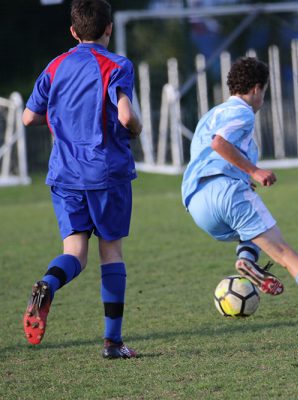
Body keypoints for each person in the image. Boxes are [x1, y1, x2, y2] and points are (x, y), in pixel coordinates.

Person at [181, 56, 298, 318]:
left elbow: (208, 152)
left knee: (249, 232)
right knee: (284, 253)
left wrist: (243, 176)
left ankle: (248, 261)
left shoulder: (210, 115)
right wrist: (254, 170)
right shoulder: (242, 112)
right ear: (256, 89)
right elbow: (219, 143)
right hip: (226, 193)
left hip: (196, 203)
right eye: (264, 91)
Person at [21, 0, 142, 359]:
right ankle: (113, 343)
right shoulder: (118, 64)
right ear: (109, 28)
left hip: (65, 174)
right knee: (111, 252)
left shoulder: (55, 65)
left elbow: (29, 117)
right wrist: (137, 126)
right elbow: (124, 116)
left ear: (73, 32)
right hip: (106, 172)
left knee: (74, 252)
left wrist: (61, 120)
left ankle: (48, 284)